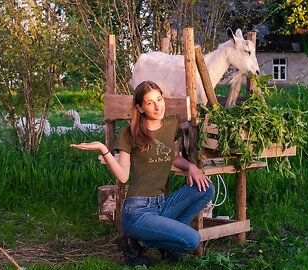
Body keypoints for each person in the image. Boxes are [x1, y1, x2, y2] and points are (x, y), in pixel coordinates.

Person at [70, 81, 214, 267]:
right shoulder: (130, 133)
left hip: (161, 204)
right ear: (140, 107)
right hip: (137, 212)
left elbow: (173, 156)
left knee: (206, 189)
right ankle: (137, 241)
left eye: (159, 99)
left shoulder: (171, 125)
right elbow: (123, 176)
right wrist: (103, 149)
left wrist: (191, 167)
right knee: (192, 240)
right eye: (150, 103)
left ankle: (157, 243)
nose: (157, 106)